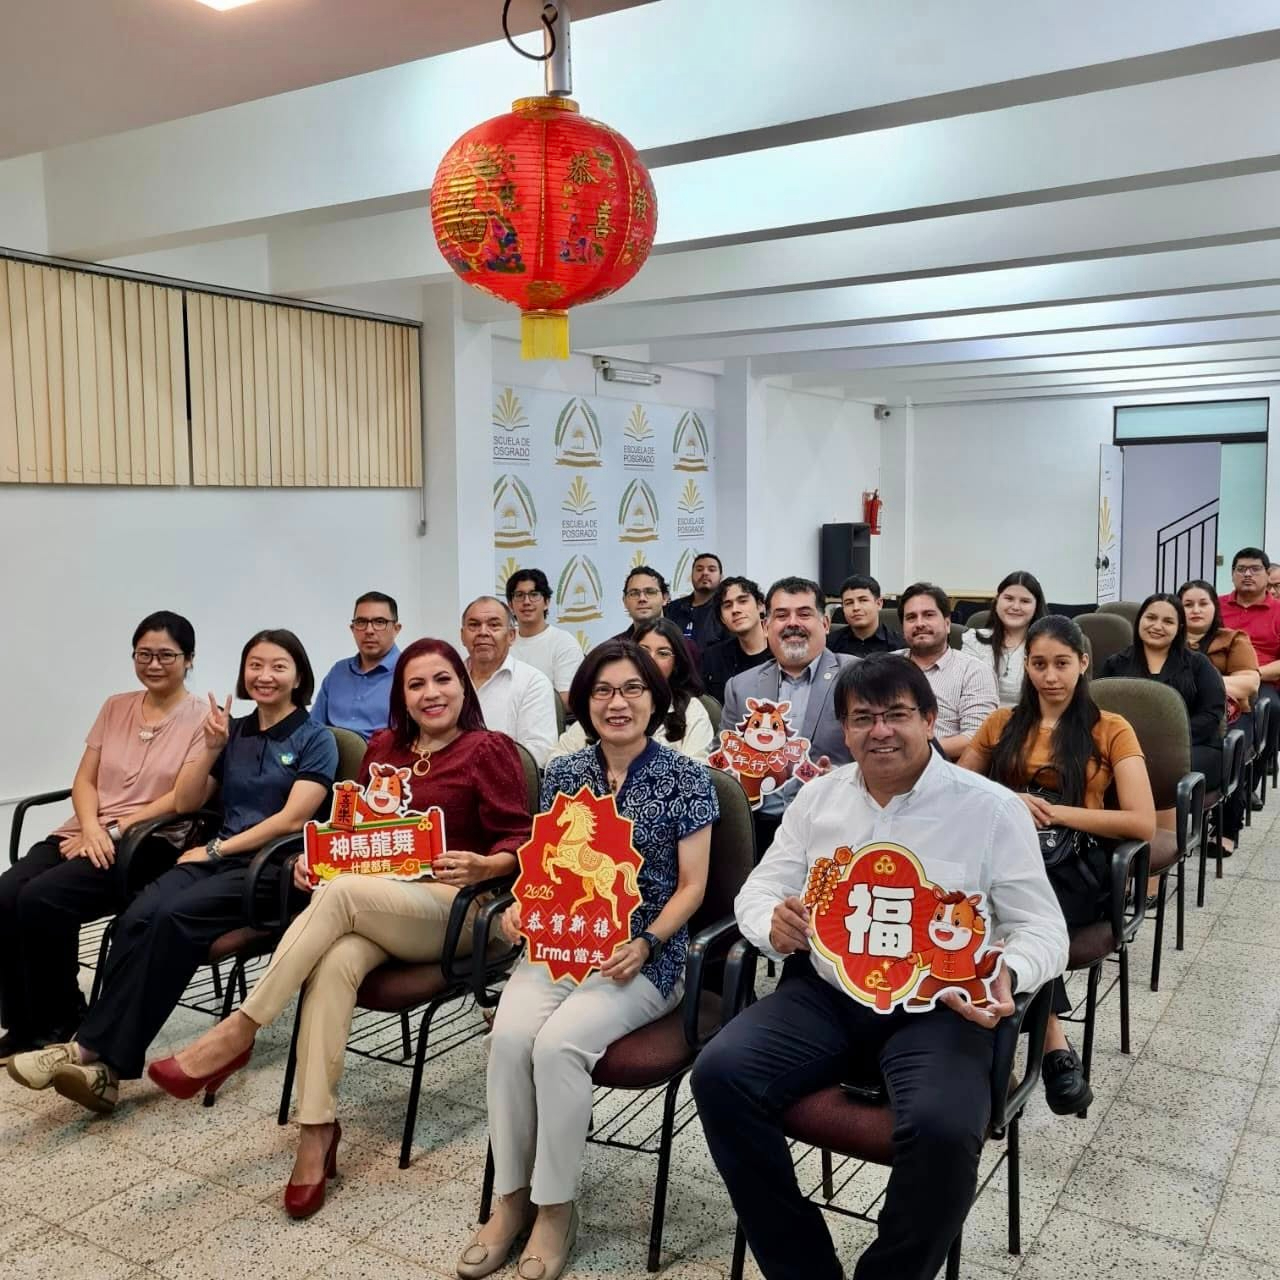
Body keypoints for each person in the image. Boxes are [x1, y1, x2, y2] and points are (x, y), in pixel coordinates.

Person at [693, 655, 1068, 1280]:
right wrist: (769, 924)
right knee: (719, 1075)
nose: (881, 731)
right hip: (828, 993)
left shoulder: (990, 809)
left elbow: (1044, 928)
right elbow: (761, 889)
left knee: (944, 1129)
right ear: (844, 730)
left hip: (939, 1005)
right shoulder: (819, 799)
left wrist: (1008, 970)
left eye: (897, 714)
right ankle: (803, 1268)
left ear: (930, 720)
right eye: (863, 718)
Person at [149, 638, 531, 1219]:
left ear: (463, 686)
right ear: (401, 696)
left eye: (443, 680)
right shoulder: (384, 747)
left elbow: (522, 840)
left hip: (461, 908)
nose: (431, 694)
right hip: (376, 904)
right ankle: (316, 1132)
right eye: (416, 684)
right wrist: (314, 858)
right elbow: (348, 829)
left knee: (343, 893)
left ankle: (239, 1030)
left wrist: (487, 864)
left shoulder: (488, 749)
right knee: (335, 960)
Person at [461, 640, 716, 1280]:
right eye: (602, 691)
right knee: (509, 1039)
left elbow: (693, 887)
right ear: (583, 703)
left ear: (654, 699)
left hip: (643, 955)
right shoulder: (564, 773)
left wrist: (648, 941)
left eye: (631, 689)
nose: (616, 703)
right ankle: (510, 1199)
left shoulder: (687, 777)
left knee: (558, 1047)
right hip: (562, 942)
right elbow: (546, 865)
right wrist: (521, 907)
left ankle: (555, 1207)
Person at [8, 630, 338, 1114]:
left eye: (278, 666)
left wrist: (217, 849)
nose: (264, 676)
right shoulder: (233, 731)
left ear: (299, 675)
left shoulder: (317, 738)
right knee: (135, 917)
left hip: (270, 867)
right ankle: (101, 1065)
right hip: (216, 857)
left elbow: (292, 820)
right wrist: (210, 747)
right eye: (255, 665)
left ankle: (90, 1053)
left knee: (172, 918)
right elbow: (189, 799)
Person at [960, 616, 1154, 1114]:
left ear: (1084, 663)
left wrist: (1052, 811)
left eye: (1062, 664)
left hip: (1075, 865)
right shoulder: (1002, 723)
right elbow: (956, 793)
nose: (1050, 676)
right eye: (1040, 664)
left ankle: (1006, 1053)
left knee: (1012, 924)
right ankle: (1053, 1047)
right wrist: (1009, 802)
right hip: (1003, 859)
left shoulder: (1111, 729)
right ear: (1026, 666)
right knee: (974, 915)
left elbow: (1142, 822)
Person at [0, 612, 208, 1065]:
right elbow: (84, 780)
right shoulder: (115, 706)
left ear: (189, 659)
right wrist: (91, 827)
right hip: (86, 829)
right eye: (144, 654)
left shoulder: (204, 719)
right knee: (6, 891)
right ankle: (23, 1022)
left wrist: (112, 831)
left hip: (147, 842)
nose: (154, 664)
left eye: (166, 655)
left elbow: (182, 800)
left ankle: (62, 1016)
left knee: (42, 897)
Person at [720, 576, 854, 852]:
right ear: (766, 626)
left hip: (836, 821)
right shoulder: (740, 686)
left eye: (804, 614)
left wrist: (842, 776)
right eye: (781, 616)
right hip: (759, 830)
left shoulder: (856, 676)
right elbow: (723, 763)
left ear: (825, 624)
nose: (793, 623)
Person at [1099, 593, 1226, 790]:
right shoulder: (1116, 664)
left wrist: (1170, 740)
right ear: (1139, 620)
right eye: (1151, 618)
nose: (1157, 626)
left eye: (1168, 621)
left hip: (1191, 746)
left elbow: (1211, 713)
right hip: (1125, 747)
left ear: (1179, 628)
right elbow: (1099, 711)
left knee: (1162, 771)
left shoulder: (1198, 664)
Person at [550, 617, 714, 761]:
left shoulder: (691, 709)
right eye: (643, 651)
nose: (651, 659)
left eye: (663, 653)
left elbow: (698, 771)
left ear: (677, 663)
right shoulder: (606, 702)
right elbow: (557, 760)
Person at [1181, 578, 1260, 850]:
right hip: (1184, 714)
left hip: (1233, 714)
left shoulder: (1233, 639)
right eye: (1188, 604)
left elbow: (1249, 683)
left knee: (1230, 745)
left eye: (1203, 603)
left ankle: (1227, 828)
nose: (1196, 610)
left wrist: (1203, 685)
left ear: (1215, 607)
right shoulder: (1168, 641)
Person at [897, 582, 998, 759]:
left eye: (928, 615)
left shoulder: (974, 671)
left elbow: (977, 737)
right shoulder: (886, 666)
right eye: (911, 617)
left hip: (945, 767)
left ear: (947, 623)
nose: (919, 623)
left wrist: (911, 751)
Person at [461, 596, 557, 767]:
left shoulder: (533, 682)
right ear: (462, 636)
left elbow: (538, 754)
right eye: (474, 625)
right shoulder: (447, 681)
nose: (483, 632)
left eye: (494, 625)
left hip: (503, 778)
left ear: (511, 636)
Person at [311, 591, 402, 740]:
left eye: (379, 622)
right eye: (361, 622)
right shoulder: (338, 672)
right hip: (329, 752)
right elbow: (314, 727)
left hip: (383, 754)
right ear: (352, 629)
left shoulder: (408, 673)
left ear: (396, 628)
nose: (369, 630)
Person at [960, 570, 1047, 706]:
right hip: (979, 716)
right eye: (1009, 599)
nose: (1016, 607)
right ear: (997, 600)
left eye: (1025, 601)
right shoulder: (973, 641)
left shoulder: (1048, 646)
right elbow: (964, 692)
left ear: (1036, 606)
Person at [506, 568, 583, 709]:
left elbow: (567, 700)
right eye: (519, 595)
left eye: (534, 595)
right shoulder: (503, 642)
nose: (526, 602)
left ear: (546, 602)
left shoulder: (563, 642)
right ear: (510, 605)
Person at [1219, 548, 1280, 711]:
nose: (1247, 574)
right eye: (1241, 569)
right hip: (1217, 675)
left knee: (1272, 708)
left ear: (1267, 575)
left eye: (1255, 569)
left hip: (1262, 680)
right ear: (1232, 575)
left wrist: (1251, 675)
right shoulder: (1215, 605)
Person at [699, 575, 771, 705]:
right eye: (727, 605)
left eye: (742, 601)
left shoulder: (782, 652)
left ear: (760, 605)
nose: (735, 610)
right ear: (722, 618)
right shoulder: (711, 658)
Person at [615, 565, 700, 668]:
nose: (642, 598)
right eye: (634, 593)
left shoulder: (687, 648)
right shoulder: (614, 649)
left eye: (650, 592)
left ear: (665, 598)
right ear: (624, 601)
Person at [827, 574, 903, 657]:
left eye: (863, 600)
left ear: (879, 603)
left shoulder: (899, 646)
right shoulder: (829, 645)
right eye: (849, 603)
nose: (856, 608)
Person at [665, 551, 726, 651]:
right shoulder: (673, 608)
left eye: (711, 570)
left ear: (721, 577)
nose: (705, 573)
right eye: (699, 569)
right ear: (691, 575)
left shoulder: (725, 610)